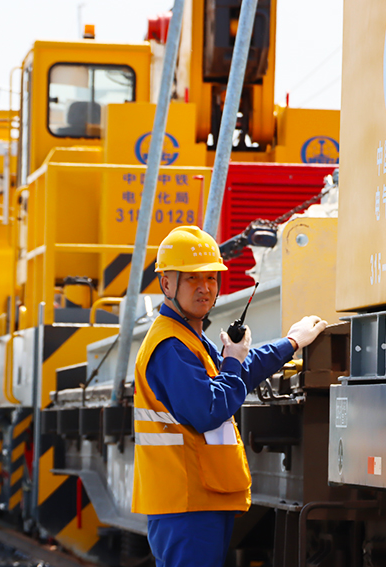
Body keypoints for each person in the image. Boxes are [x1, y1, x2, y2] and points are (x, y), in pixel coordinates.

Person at [131, 225, 327, 567]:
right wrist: (234, 360)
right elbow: (208, 408)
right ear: (166, 283)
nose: (205, 288)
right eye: (192, 279)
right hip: (186, 502)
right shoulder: (169, 346)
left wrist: (291, 342)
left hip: (199, 498)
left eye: (211, 278)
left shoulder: (188, 338)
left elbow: (236, 373)